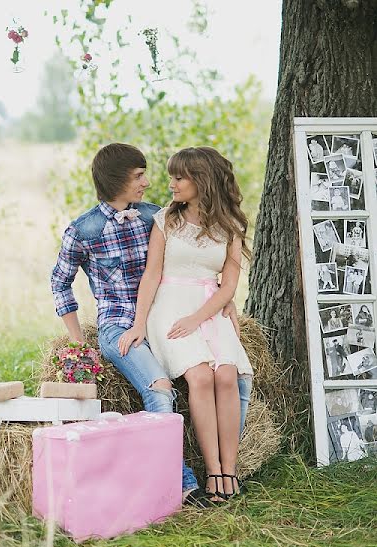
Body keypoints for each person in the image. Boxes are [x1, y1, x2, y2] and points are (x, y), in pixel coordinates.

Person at [50, 143, 252, 506]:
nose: (149, 182)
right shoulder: (84, 229)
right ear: (118, 180)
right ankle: (183, 484)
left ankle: (226, 469)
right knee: (160, 388)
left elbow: (197, 256)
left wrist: (226, 300)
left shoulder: (155, 215)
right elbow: (59, 282)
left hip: (160, 313)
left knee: (227, 376)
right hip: (118, 324)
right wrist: (80, 343)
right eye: (140, 175)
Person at [116, 147, 252, 505]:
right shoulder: (166, 221)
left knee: (227, 375)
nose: (171, 184)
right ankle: (213, 472)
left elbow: (228, 285)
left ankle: (230, 469)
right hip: (170, 306)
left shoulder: (231, 226)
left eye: (179, 177)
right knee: (201, 376)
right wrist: (139, 323)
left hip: (208, 307)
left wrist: (203, 316)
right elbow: (152, 274)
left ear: (202, 181)